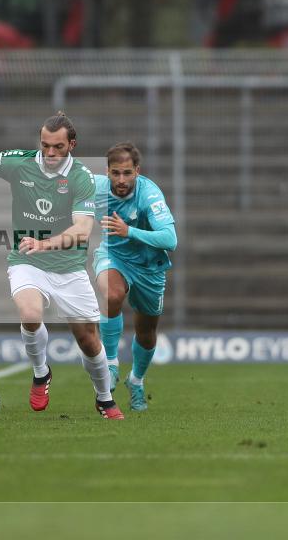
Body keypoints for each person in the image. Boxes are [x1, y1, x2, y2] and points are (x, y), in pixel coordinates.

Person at [0, 112, 123, 419]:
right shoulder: (19, 162)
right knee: (29, 313)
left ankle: (104, 398)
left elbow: (82, 231)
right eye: (45, 146)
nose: (50, 153)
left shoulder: (81, 178)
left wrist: (44, 243)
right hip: (26, 261)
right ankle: (41, 373)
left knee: (88, 340)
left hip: (69, 267)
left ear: (72, 144)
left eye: (58, 147)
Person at [93, 142, 177, 411]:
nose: (121, 180)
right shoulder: (94, 187)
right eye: (115, 173)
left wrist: (129, 231)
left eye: (127, 173)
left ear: (137, 171)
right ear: (107, 171)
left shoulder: (149, 194)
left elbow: (170, 239)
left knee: (147, 332)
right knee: (113, 293)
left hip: (150, 268)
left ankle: (136, 381)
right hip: (114, 257)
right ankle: (110, 363)